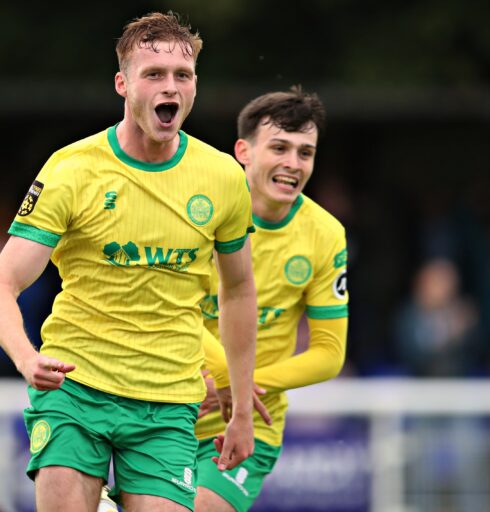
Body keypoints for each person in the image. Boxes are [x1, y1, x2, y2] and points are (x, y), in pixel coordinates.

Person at [0, 11, 258, 512]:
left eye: (183, 75)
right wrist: (26, 359)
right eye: (153, 74)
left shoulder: (223, 177)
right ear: (123, 84)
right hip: (75, 387)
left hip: (169, 402)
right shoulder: (72, 170)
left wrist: (240, 409)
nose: (169, 86)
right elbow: (0, 288)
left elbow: (238, 291)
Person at [195, 87, 348, 511]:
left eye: (305, 153)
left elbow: (329, 354)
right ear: (243, 151)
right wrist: (226, 375)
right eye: (279, 147)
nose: (292, 164)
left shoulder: (326, 234)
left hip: (250, 425)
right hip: (170, 407)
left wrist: (244, 391)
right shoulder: (200, 211)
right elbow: (172, 309)